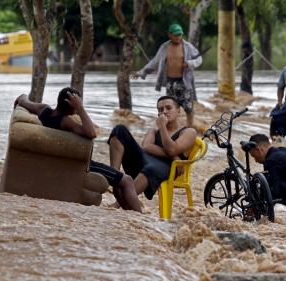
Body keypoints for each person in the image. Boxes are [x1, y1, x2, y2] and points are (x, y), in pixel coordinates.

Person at [14, 87, 142, 212]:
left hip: (60, 163)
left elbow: (22, 99)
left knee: (118, 181)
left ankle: (128, 214)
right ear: (71, 104)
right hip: (78, 165)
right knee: (127, 180)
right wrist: (80, 108)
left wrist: (21, 98)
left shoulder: (43, 110)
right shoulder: (65, 121)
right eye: (78, 102)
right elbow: (92, 133)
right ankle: (139, 217)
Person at [108, 96, 197, 205]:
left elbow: (172, 149)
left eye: (168, 108)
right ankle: (114, 178)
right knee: (119, 130)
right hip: (144, 161)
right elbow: (146, 147)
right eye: (160, 110)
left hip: (168, 168)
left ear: (178, 111)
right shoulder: (154, 130)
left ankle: (119, 203)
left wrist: (163, 127)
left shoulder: (189, 132)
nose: (164, 112)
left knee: (151, 168)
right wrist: (173, 156)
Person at [132, 23, 202, 128]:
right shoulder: (164, 47)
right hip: (170, 83)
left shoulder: (187, 47)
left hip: (184, 83)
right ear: (169, 35)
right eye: (176, 35)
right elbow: (154, 62)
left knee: (189, 108)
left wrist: (190, 63)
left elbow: (199, 59)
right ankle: (172, 129)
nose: (179, 37)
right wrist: (141, 72)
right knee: (170, 108)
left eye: (180, 35)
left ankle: (190, 129)